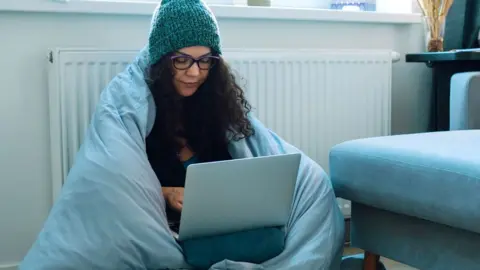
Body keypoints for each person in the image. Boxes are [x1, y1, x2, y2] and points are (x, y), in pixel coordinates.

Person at [144, 0, 254, 233]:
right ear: (162, 62)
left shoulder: (216, 106)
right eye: (181, 60)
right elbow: (122, 186)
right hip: (167, 228)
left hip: (220, 223)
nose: (194, 72)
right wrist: (166, 193)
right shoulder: (143, 115)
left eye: (204, 61)